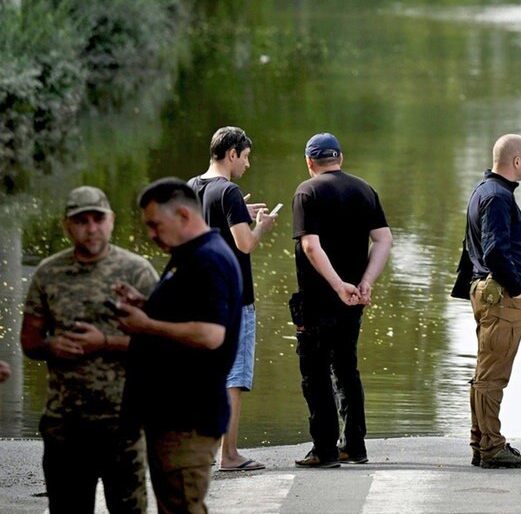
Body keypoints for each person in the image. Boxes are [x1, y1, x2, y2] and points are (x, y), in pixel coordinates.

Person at [20, 186, 159, 514]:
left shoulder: (136, 271)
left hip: (122, 421)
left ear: (111, 221)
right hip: (65, 424)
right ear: (67, 226)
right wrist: (50, 345)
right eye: (81, 221)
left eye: (98, 219)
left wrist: (106, 342)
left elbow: (163, 344)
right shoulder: (48, 273)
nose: (91, 228)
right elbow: (29, 341)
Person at [119, 178, 243, 514]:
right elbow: (189, 311)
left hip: (188, 419)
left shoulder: (209, 259)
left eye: (155, 224)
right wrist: (147, 305)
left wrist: (145, 325)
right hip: (171, 416)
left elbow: (211, 334)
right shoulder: (189, 255)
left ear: (184, 215)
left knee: (182, 506)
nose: (151, 234)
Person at [291, 132, 393, 469]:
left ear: (310, 162)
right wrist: (365, 282)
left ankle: (324, 449)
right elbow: (383, 239)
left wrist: (337, 285)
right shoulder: (364, 189)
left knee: (316, 372)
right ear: (340, 158)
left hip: (320, 298)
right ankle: (355, 445)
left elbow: (310, 246)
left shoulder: (307, 191)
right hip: (354, 300)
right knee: (346, 368)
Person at [188, 126, 277, 472]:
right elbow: (245, 244)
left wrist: (241, 211)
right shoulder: (229, 191)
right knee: (233, 378)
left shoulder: (193, 186)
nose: (247, 164)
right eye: (246, 156)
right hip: (234, 297)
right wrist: (262, 226)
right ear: (231, 154)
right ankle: (229, 455)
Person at [462, 133, 521, 469]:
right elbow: (494, 251)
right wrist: (518, 289)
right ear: (516, 161)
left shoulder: (484, 190)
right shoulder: (496, 196)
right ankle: (492, 446)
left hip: (488, 292)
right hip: (501, 297)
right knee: (493, 376)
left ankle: (482, 441)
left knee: (485, 373)